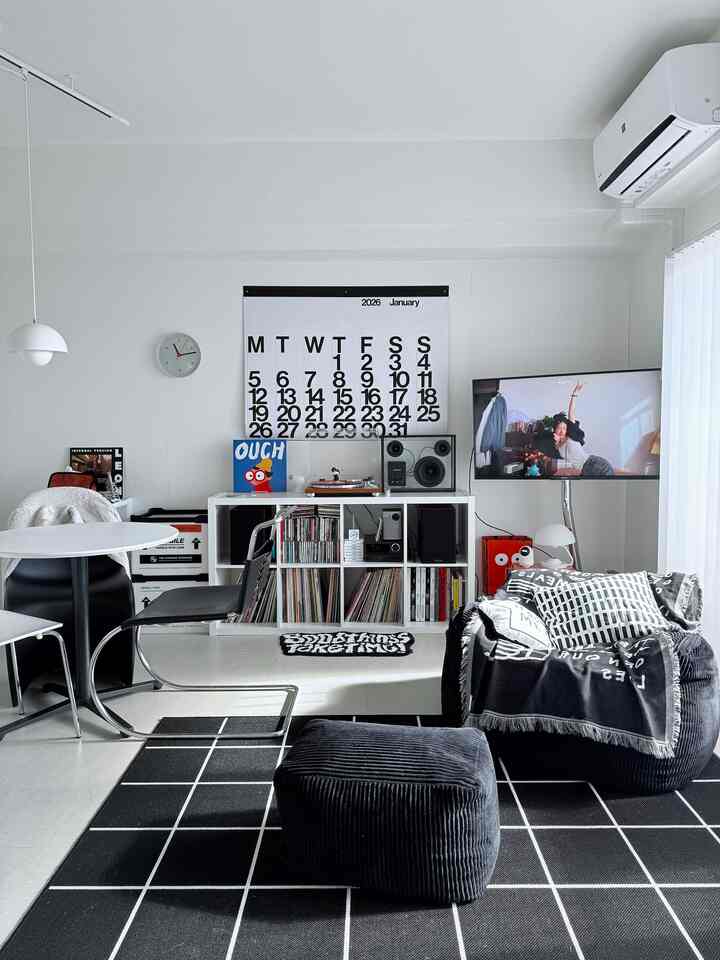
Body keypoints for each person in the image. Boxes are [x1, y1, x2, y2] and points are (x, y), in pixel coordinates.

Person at [534, 381, 586, 464]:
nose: (562, 431)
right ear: (554, 429)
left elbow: (571, 413)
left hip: (593, 463)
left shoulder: (572, 436)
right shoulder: (553, 445)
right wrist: (557, 442)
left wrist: (574, 394)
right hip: (584, 468)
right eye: (559, 428)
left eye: (564, 428)